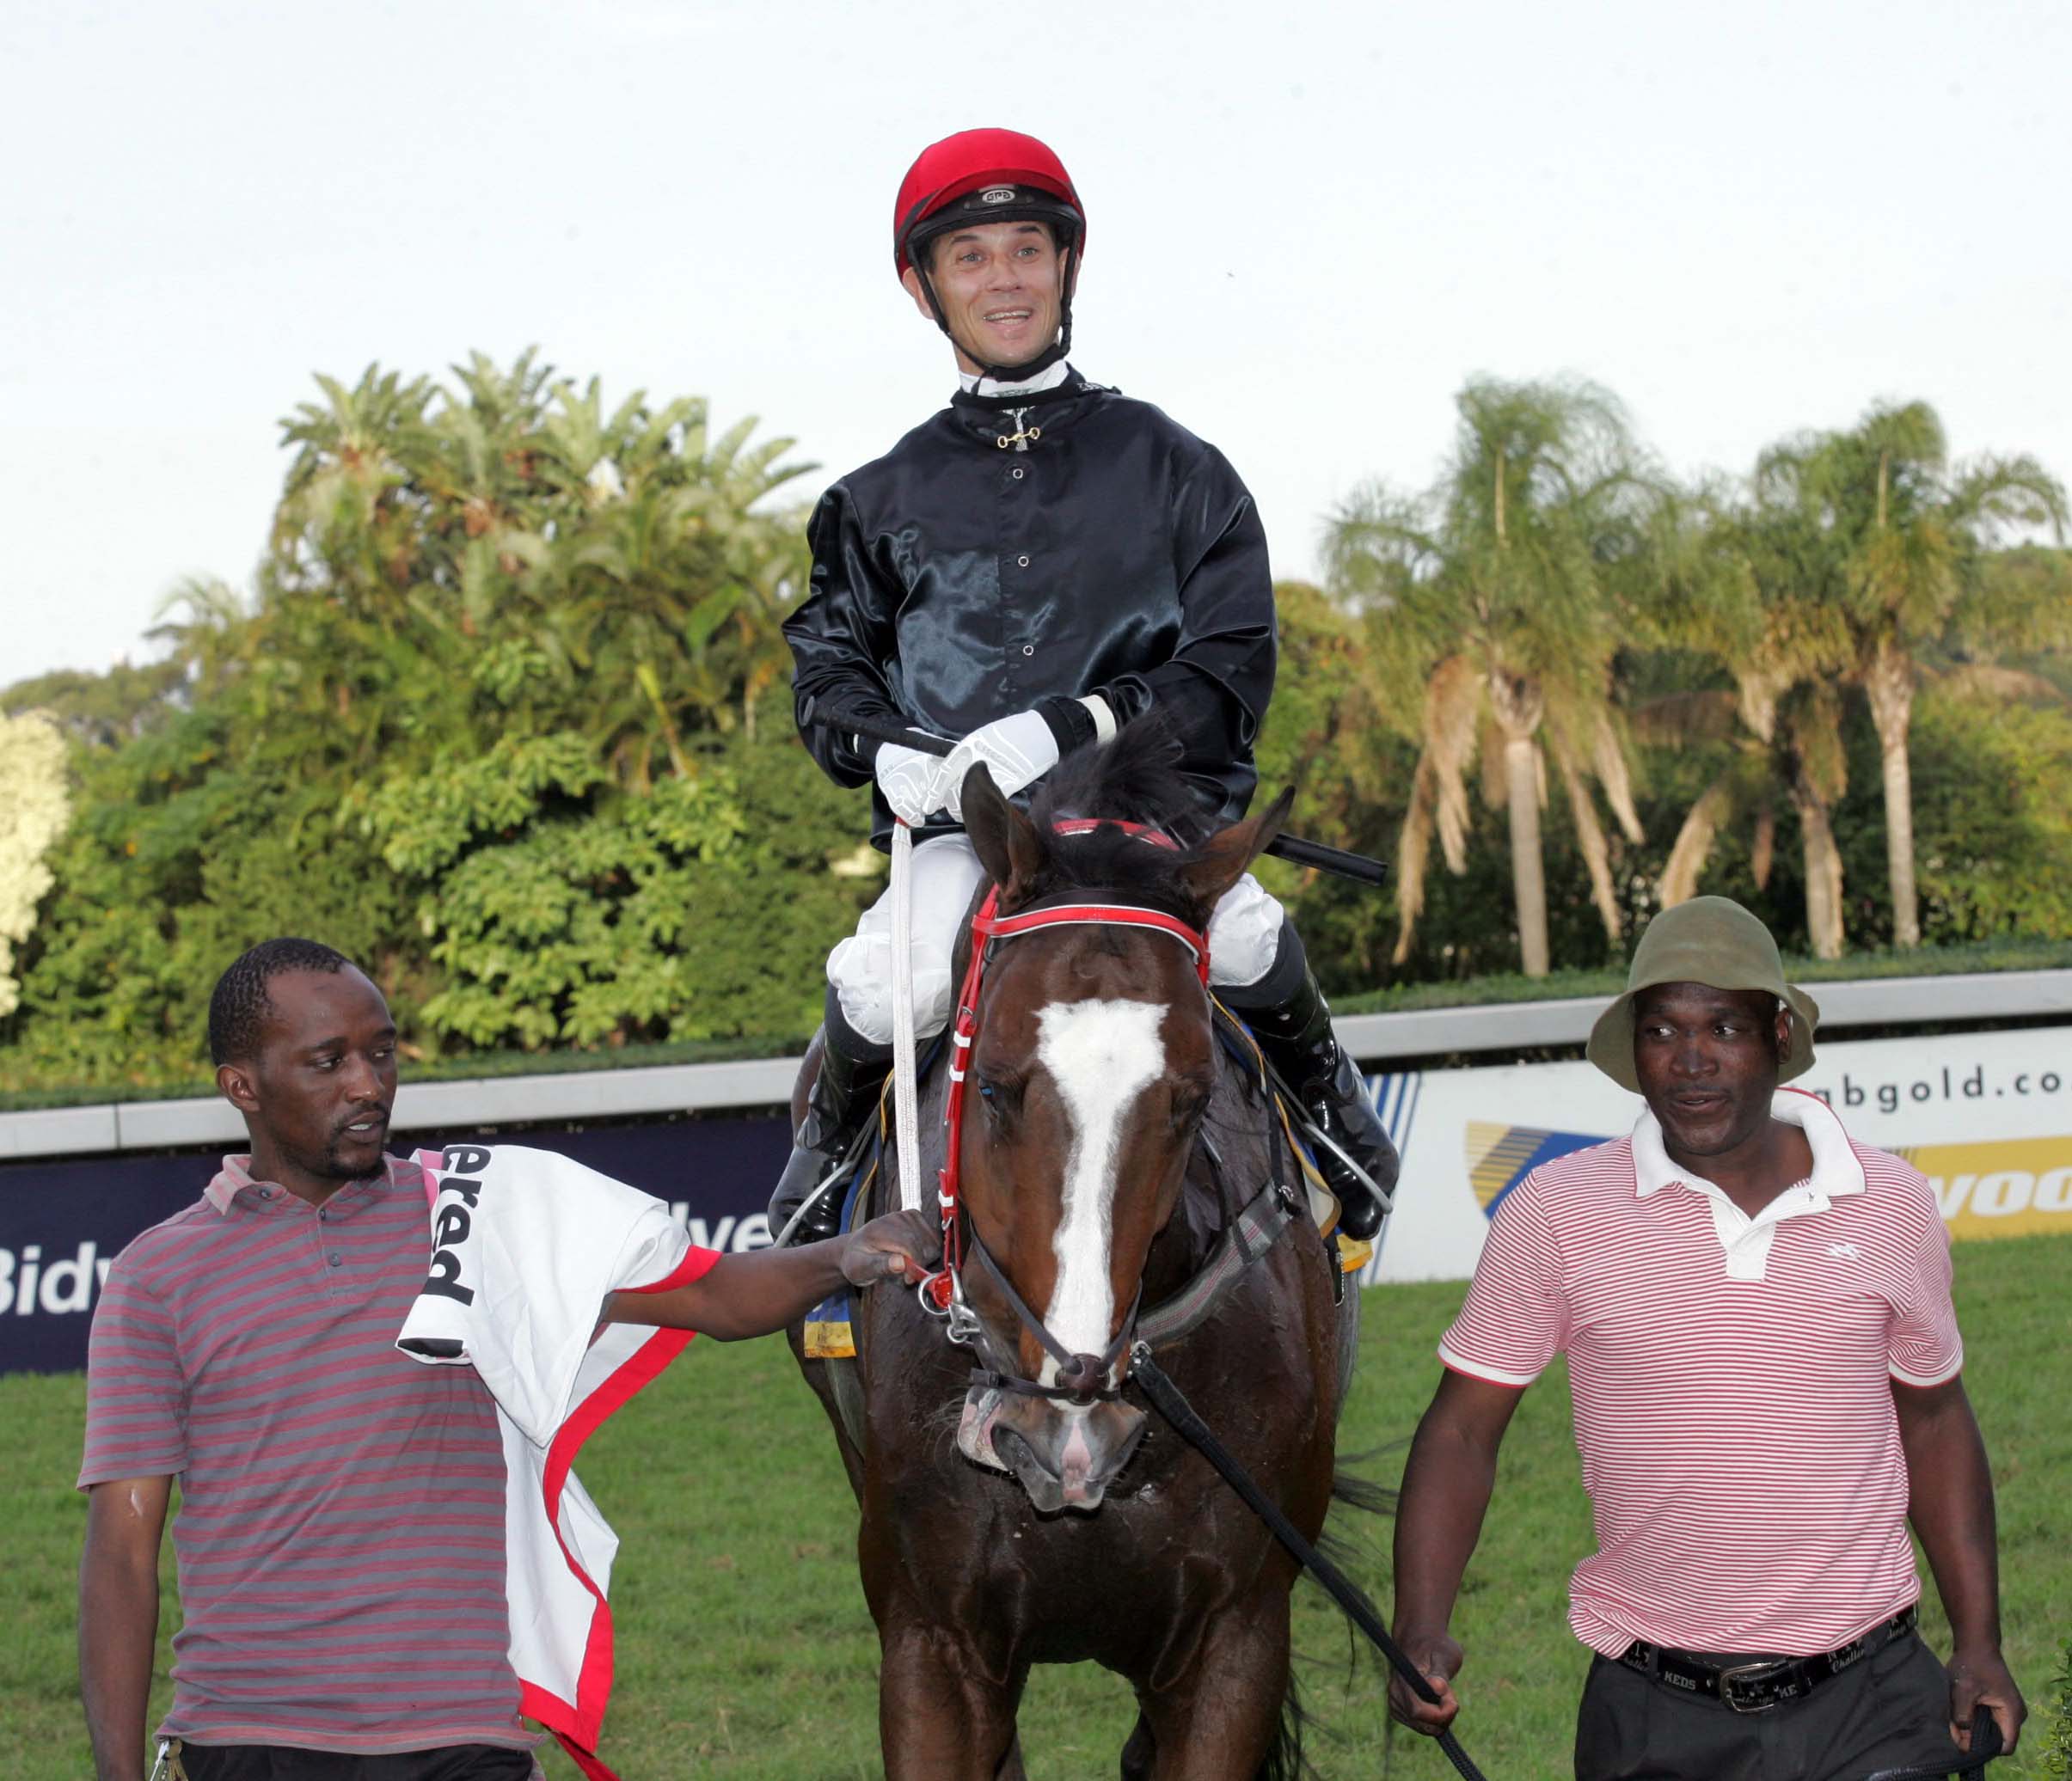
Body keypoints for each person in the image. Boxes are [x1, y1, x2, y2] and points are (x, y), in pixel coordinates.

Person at [78, 938, 935, 1781]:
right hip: (246, 1739)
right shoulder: (158, 1276)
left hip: (465, 1738)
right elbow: (121, 1548)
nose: (368, 1085)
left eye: (382, 1052)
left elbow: (713, 1296)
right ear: (242, 1086)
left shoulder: (476, 1215)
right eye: (328, 1062)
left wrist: (844, 1253)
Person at [774, 126, 1394, 1244]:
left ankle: (1338, 1117)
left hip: (1142, 822)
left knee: (1245, 937)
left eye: (1026, 249)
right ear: (923, 288)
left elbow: (1230, 665)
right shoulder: (869, 501)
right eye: (970, 258)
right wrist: (887, 749)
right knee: (885, 980)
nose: (1003, 279)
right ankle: (818, 1177)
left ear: (1067, 265)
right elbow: (826, 677)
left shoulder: (1180, 468)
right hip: (971, 837)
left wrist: (1075, 722)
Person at [1387, 897, 2024, 1780]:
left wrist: (1979, 1643)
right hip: (1655, 1710)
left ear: (1777, 1034)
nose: (1690, 1060)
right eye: (1661, 1030)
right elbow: (1462, 1428)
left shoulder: (1890, 1202)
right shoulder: (1555, 1210)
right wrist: (1419, 1624)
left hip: (1872, 1697)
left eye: (1723, 1027)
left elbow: (1935, 1417)